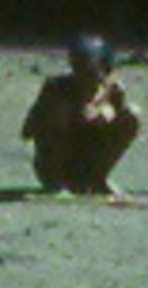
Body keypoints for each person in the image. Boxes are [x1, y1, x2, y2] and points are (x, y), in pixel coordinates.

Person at [22, 36, 140, 195]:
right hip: (54, 164)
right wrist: (67, 113)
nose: (84, 75)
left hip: (89, 160)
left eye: (91, 70)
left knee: (132, 114)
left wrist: (108, 116)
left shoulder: (113, 91)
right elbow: (27, 131)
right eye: (78, 67)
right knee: (60, 112)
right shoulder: (56, 88)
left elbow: (118, 127)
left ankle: (97, 178)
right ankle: (57, 182)